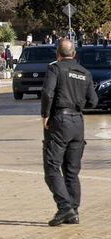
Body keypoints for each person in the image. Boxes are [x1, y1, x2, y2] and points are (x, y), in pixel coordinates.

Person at [41, 39, 98, 226]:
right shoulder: (85, 73)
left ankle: (65, 208)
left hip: (60, 121)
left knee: (51, 167)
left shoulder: (55, 69)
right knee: (72, 171)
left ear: (57, 54)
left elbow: (48, 93)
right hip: (77, 123)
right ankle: (73, 212)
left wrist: (45, 115)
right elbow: (93, 101)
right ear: (74, 54)